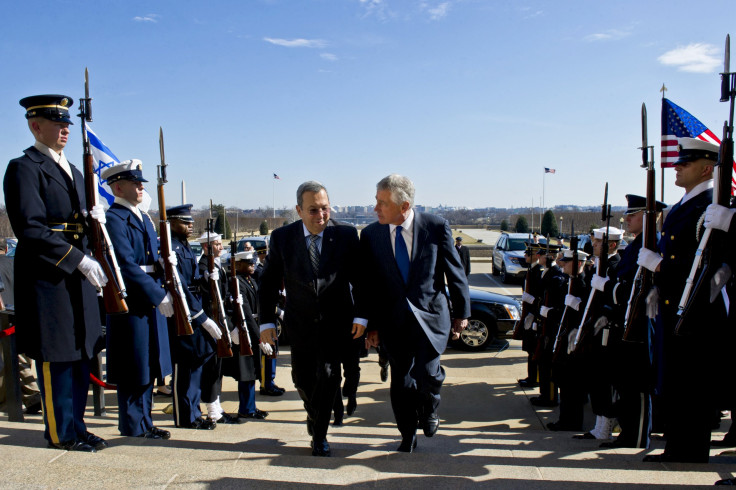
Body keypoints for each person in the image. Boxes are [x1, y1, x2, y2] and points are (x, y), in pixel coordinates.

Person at [3, 95, 109, 452]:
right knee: (59, 355)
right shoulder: (25, 167)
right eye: (57, 123)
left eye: (67, 124)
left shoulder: (75, 171)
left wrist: (95, 221)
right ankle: (61, 431)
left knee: (81, 353)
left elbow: (79, 221)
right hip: (50, 275)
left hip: (77, 275)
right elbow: (31, 228)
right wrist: (77, 259)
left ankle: (77, 426)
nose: (65, 129)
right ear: (36, 126)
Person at [359, 174, 470, 453]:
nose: (375, 208)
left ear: (404, 205)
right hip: (393, 322)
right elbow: (367, 284)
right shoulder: (372, 235)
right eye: (376, 201)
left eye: (382, 203)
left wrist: (462, 314)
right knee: (401, 382)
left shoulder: (435, 227)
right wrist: (371, 325)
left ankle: (431, 406)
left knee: (428, 375)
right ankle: (407, 433)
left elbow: (455, 274)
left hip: (431, 318)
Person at [259, 181, 364, 457]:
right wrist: (267, 323)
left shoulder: (345, 235)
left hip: (336, 322)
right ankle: (315, 412)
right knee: (302, 379)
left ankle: (320, 435)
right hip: (300, 324)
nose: (321, 216)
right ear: (299, 210)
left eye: (325, 208)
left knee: (329, 376)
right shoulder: (283, 238)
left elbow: (361, 279)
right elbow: (268, 282)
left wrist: (362, 316)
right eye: (313, 210)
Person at [637, 137, 725, 463]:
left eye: (684, 164)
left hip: (697, 310)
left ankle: (690, 449)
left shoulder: (709, 207)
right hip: (675, 304)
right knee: (675, 379)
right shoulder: (683, 206)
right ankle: (678, 446)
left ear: (705, 169)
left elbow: (702, 262)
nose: (676, 167)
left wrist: (658, 265)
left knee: (692, 383)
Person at [102, 160, 173, 439]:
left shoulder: (142, 217)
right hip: (132, 298)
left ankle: (146, 420)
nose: (141, 186)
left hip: (149, 295)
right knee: (133, 365)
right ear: (118, 187)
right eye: (135, 183)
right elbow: (125, 264)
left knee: (147, 362)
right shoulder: (115, 218)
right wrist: (157, 294)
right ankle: (133, 424)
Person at [597, 194, 665, 449]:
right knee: (626, 382)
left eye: (632, 215)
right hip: (626, 321)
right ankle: (628, 432)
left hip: (640, 324)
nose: (626, 219)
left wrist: (608, 286)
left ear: (649, 217)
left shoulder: (651, 244)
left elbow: (637, 287)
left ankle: (637, 436)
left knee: (637, 385)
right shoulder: (637, 245)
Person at [166, 204, 222, 430]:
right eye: (185, 222)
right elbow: (180, 286)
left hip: (194, 307)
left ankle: (194, 414)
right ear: (171, 223)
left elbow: (193, 279)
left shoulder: (185, 246)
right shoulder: (170, 247)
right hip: (184, 311)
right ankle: (185, 417)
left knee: (196, 362)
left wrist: (207, 275)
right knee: (185, 367)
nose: (190, 226)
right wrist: (201, 317)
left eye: (190, 222)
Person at [196, 231, 242, 425]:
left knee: (218, 368)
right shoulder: (203, 266)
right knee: (211, 368)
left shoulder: (217, 266)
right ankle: (212, 409)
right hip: (211, 323)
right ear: (206, 247)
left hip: (221, 320)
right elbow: (208, 300)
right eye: (216, 244)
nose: (221, 247)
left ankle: (217, 407)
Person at [229, 252, 269, 419]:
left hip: (253, 327)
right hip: (246, 330)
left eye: (253, 262)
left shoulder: (250, 281)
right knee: (246, 372)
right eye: (248, 263)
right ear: (238, 265)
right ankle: (245, 408)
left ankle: (251, 406)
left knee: (252, 371)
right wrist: (259, 337)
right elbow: (244, 311)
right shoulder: (236, 282)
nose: (253, 265)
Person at [529, 243, 564, 408]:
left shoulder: (556, 275)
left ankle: (549, 396)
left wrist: (546, 312)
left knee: (548, 362)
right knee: (542, 360)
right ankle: (544, 394)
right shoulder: (546, 272)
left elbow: (554, 302)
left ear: (550, 256)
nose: (538, 256)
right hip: (543, 322)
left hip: (551, 325)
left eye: (542, 254)